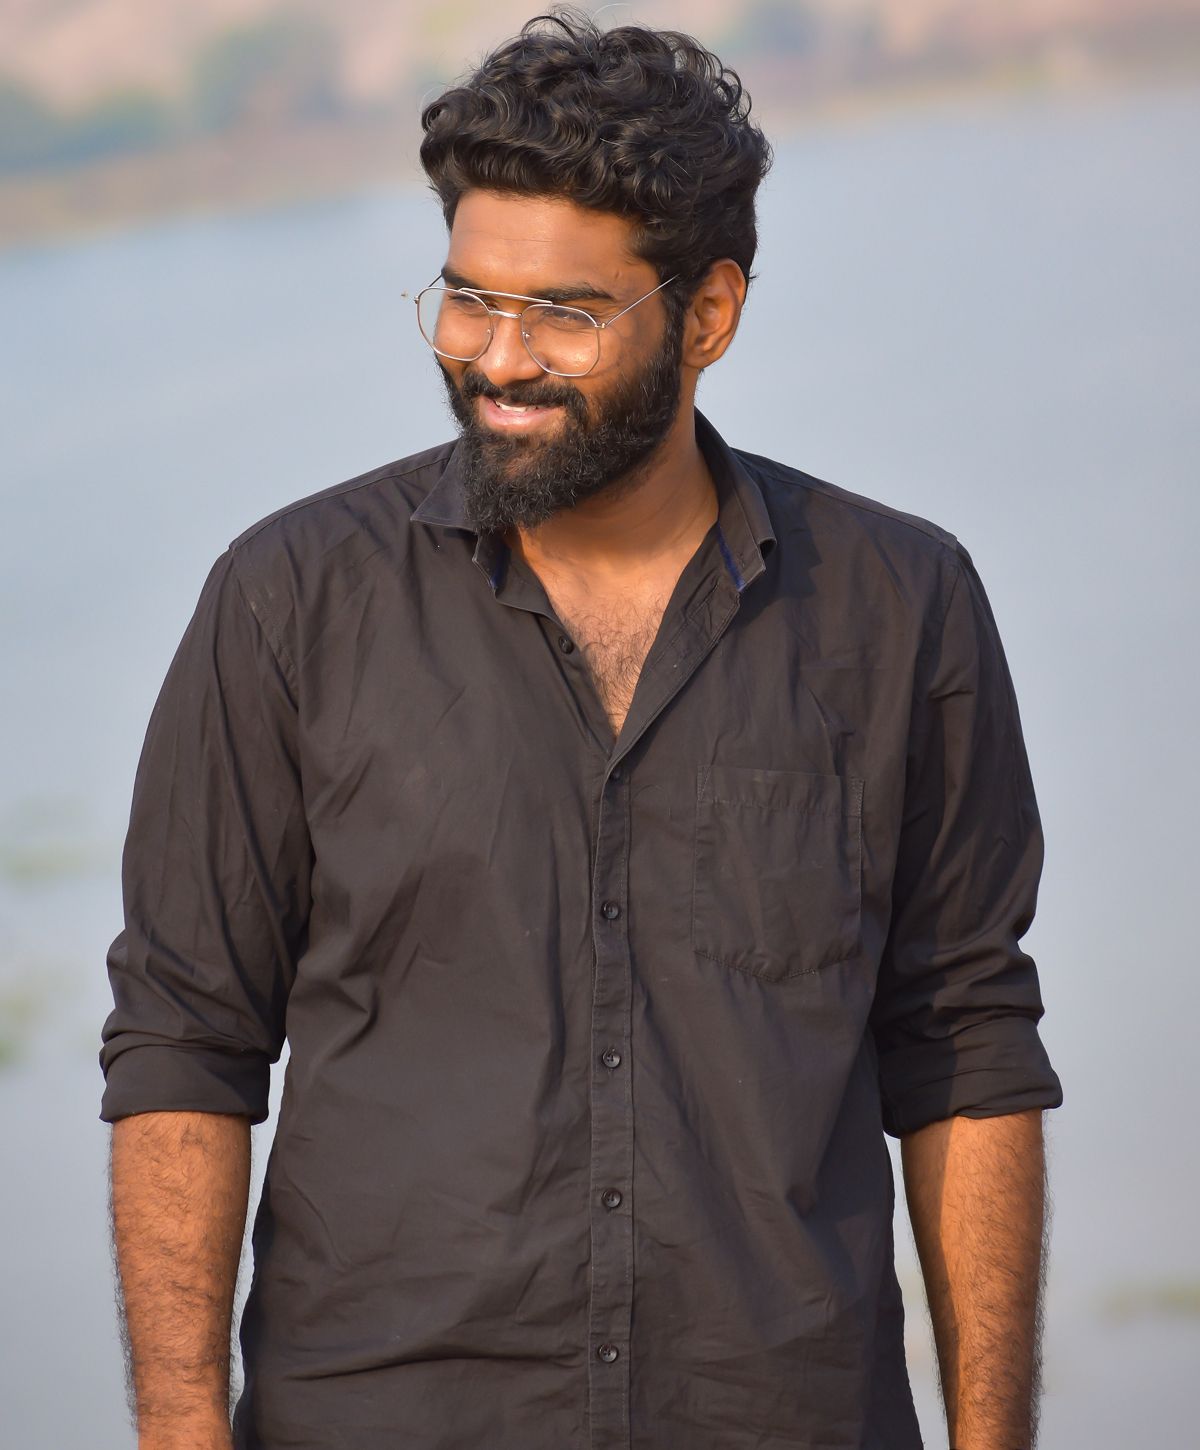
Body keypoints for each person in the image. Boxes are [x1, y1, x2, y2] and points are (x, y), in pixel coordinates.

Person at [101, 11, 1063, 1450]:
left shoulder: (900, 606)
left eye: (565, 311)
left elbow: (966, 1045)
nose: (497, 357)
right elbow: (184, 1040)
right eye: (468, 297)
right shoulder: (285, 602)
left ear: (712, 313)